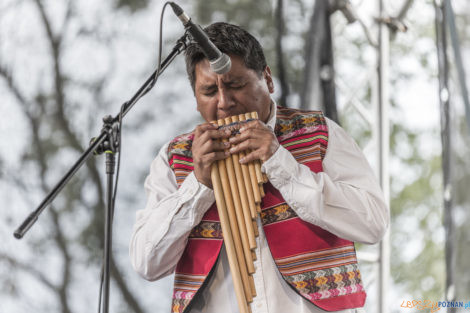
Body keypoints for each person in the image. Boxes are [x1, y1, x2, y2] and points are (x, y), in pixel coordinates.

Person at [130, 22, 389, 313]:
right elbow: (147, 263)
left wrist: (282, 164)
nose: (224, 102)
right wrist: (198, 186)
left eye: (235, 85)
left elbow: (373, 223)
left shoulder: (319, 133)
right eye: (208, 91)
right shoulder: (175, 157)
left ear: (267, 79)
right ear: (195, 98)